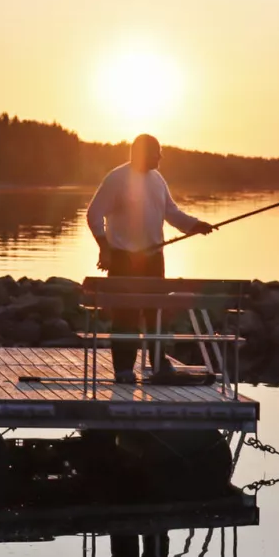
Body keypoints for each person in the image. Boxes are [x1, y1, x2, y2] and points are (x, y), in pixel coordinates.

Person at [86, 135, 214, 383]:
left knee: (156, 315)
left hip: (154, 258)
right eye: (157, 152)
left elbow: (171, 212)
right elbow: (94, 214)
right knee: (125, 317)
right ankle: (124, 371)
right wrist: (105, 248)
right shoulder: (117, 178)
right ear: (141, 153)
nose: (161, 156)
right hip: (124, 260)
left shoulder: (158, 180)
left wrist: (195, 225)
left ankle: (159, 365)